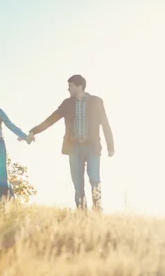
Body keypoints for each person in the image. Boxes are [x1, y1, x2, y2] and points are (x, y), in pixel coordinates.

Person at [24, 75, 114, 211]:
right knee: (78, 183)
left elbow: (105, 123)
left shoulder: (96, 101)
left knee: (95, 179)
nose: (68, 88)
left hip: (92, 147)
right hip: (74, 148)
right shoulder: (67, 104)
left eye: (70, 85)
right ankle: (81, 212)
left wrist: (110, 146)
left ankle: (97, 210)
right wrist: (33, 131)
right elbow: (51, 119)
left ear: (79, 86)